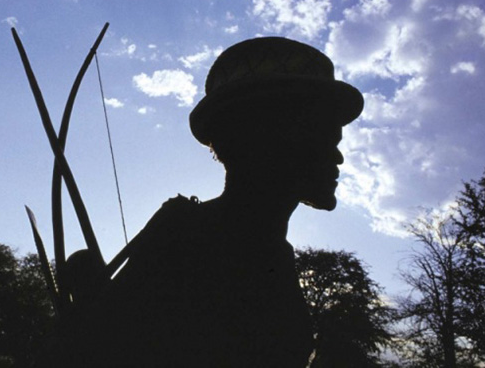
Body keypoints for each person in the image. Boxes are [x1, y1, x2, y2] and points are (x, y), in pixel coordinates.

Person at [35, 37, 364, 367]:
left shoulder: (269, 251)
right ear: (265, 135)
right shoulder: (186, 237)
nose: (338, 157)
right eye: (323, 137)